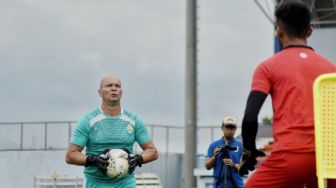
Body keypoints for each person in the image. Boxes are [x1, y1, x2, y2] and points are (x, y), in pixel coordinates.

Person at [240, 1, 336, 187]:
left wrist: (250, 152)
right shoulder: (331, 69)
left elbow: (250, 117)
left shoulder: (267, 67)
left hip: (289, 158)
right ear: (310, 31)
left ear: (279, 30)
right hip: (328, 161)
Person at [65, 75, 159, 188]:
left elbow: (152, 151)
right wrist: (93, 160)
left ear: (121, 92)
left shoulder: (133, 121)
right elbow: (70, 155)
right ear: (100, 92)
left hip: (125, 183)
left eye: (117, 86)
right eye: (109, 86)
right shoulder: (87, 121)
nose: (114, 88)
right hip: (95, 183)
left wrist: (139, 158)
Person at [205, 116, 244, 188]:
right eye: (227, 127)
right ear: (222, 128)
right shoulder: (214, 145)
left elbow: (245, 169)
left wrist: (234, 165)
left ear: (235, 129)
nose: (229, 130)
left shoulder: (241, 145)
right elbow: (207, 166)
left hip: (237, 185)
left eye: (232, 127)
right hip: (219, 185)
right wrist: (214, 157)